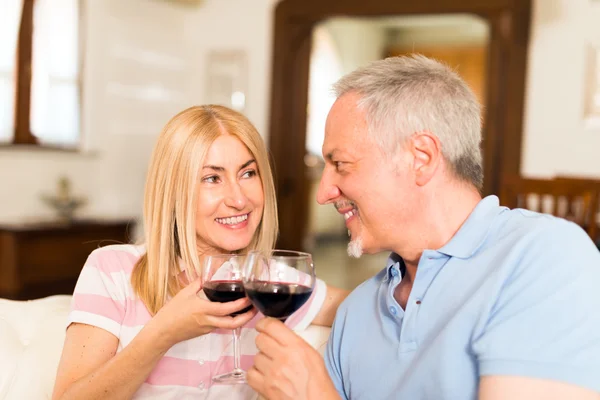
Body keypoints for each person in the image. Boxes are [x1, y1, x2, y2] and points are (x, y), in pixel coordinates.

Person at [246, 55, 600, 400]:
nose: (324, 192)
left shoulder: (544, 258)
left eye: (341, 164)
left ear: (422, 158)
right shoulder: (358, 311)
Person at [51, 105, 348, 400]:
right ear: (173, 191)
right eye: (212, 178)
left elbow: (368, 307)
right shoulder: (112, 270)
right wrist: (163, 333)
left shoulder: (270, 281)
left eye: (247, 173)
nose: (238, 199)